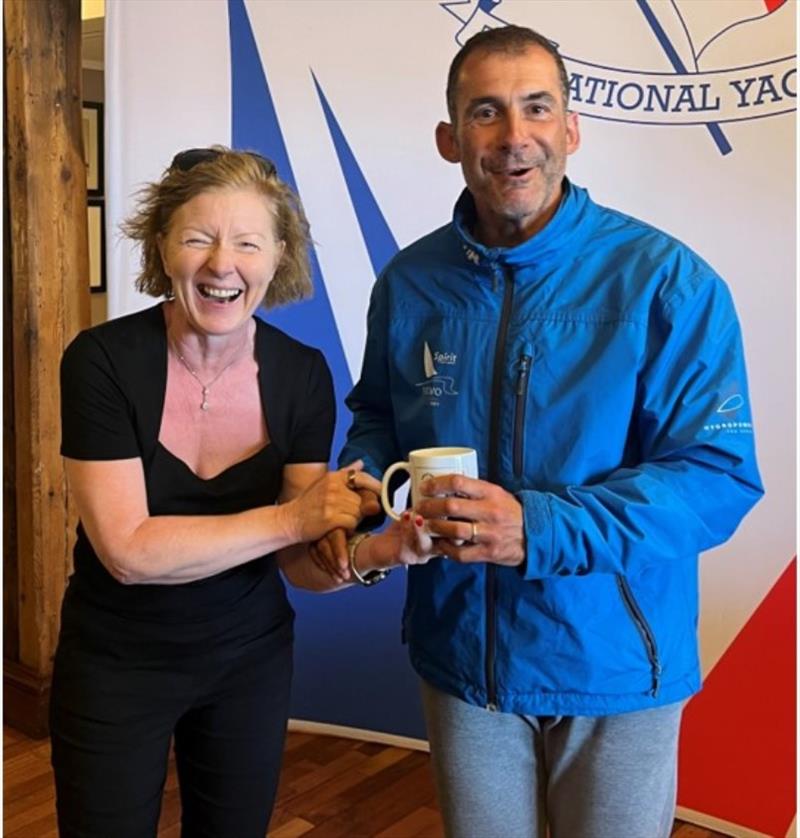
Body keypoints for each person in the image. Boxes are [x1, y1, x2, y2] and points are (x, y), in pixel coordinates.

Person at [313, 25, 764, 838]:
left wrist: (539, 527)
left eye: (536, 108)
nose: (514, 137)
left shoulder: (667, 281)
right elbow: (379, 414)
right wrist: (367, 485)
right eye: (486, 112)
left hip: (615, 667)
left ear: (571, 129)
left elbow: (716, 476)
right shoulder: (411, 281)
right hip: (463, 661)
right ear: (451, 138)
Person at [50, 146, 428, 838]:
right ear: (162, 247)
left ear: (277, 257)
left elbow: (304, 564)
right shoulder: (101, 362)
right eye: (198, 238)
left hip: (247, 662)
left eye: (248, 243)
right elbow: (128, 552)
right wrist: (295, 518)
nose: (223, 264)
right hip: (114, 663)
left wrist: (384, 550)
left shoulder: (301, 374)